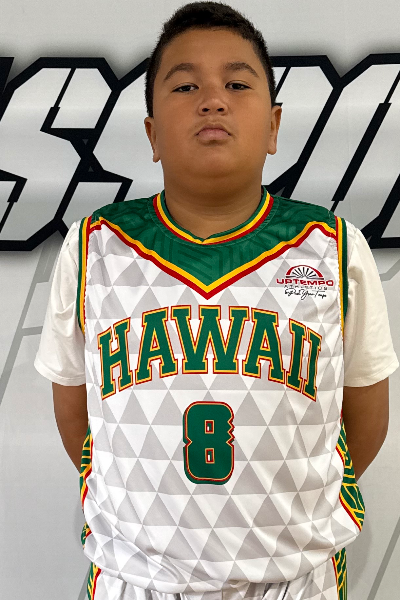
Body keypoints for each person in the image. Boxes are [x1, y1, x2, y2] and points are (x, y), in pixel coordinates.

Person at [34, 2, 398, 599]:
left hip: (293, 580)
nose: (212, 101)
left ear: (274, 127)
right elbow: (77, 412)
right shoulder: (95, 245)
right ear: (152, 133)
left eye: (237, 84)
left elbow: (366, 414)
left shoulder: (333, 246)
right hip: (138, 579)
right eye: (185, 86)